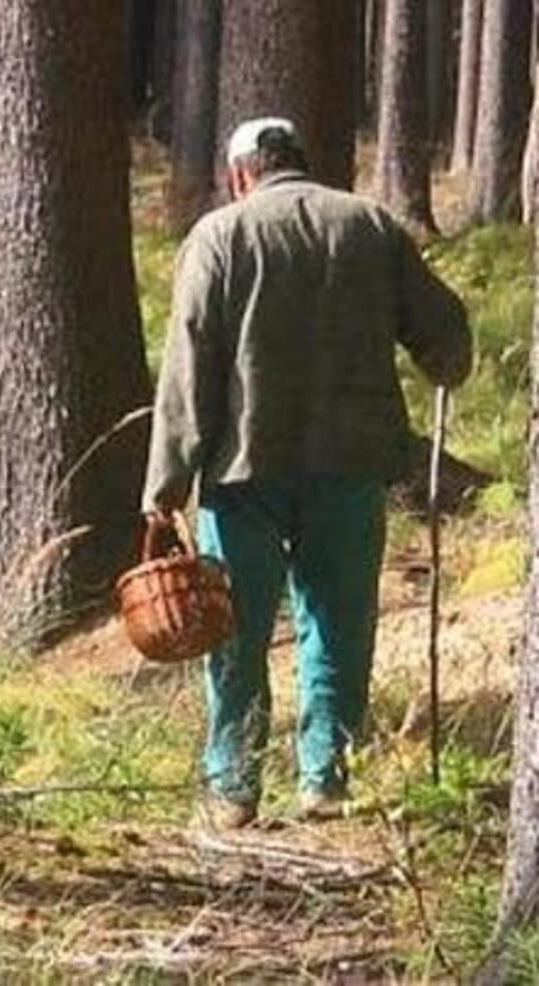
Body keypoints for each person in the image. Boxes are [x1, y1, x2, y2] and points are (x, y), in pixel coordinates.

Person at [143, 117, 472, 829]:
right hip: (349, 467)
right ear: (299, 160)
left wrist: (165, 484)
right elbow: (445, 333)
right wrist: (449, 361)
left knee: (236, 630)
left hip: (241, 473)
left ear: (240, 174)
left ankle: (233, 788)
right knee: (339, 623)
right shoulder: (369, 227)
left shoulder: (220, 237)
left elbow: (188, 368)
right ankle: (326, 779)